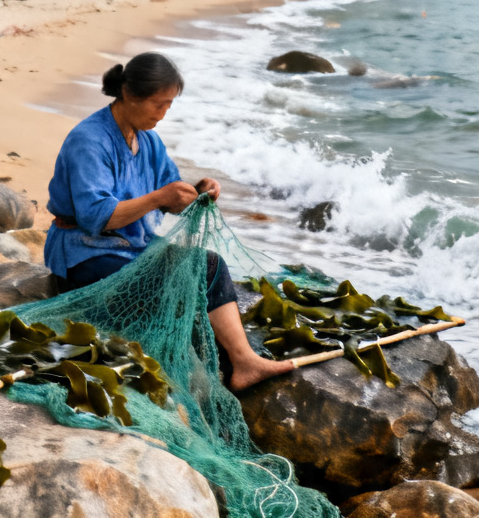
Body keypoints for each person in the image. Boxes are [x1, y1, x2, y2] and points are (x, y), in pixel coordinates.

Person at [44, 52, 293, 391]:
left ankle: (244, 361)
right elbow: (95, 217)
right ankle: (231, 363)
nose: (162, 114)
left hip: (130, 247)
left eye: (168, 106)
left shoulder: (147, 140)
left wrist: (196, 191)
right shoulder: (89, 140)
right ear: (129, 94)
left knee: (210, 266)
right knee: (171, 286)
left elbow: (170, 193)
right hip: (85, 255)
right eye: (158, 105)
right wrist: (160, 198)